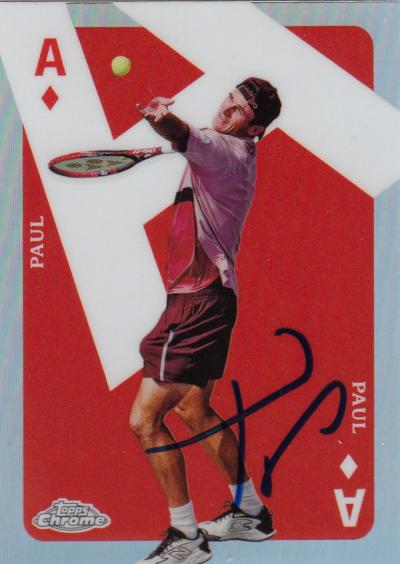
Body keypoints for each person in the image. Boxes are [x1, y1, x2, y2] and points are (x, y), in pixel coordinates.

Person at [130, 78, 282, 564]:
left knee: (145, 420)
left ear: (254, 129)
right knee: (194, 410)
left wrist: (162, 118)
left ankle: (186, 537)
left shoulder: (226, 150)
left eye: (239, 109)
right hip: (213, 298)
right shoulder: (230, 152)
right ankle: (250, 513)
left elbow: (183, 134)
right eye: (229, 98)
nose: (226, 108)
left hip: (196, 301)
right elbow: (192, 143)